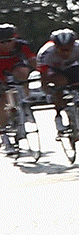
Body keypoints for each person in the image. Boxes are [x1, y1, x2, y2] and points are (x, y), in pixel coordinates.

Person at [36, 30, 79, 141]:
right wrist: (47, 91)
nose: (65, 53)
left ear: (73, 45)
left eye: (68, 50)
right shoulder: (46, 52)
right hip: (54, 70)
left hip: (72, 68)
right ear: (55, 46)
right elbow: (43, 77)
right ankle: (59, 114)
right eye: (61, 50)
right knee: (61, 82)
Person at [0, 25, 33, 155]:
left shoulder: (21, 45)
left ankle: (24, 101)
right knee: (2, 102)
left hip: (14, 66)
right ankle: (4, 136)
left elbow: (32, 60)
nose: (7, 45)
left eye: (9, 41)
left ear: (15, 39)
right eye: (2, 42)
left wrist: (40, 74)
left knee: (23, 72)